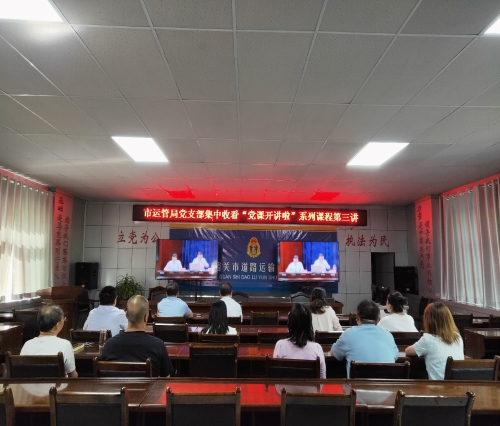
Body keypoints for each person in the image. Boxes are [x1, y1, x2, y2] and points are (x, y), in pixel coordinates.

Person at [102, 295, 174, 377]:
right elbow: (166, 378)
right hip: (148, 386)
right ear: (146, 317)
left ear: (126, 315)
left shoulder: (109, 345)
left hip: (117, 386)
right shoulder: (158, 346)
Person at [331, 299, 398, 377]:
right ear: (378, 318)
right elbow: (395, 357)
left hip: (357, 385)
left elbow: (334, 353)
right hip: (386, 384)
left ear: (357, 316)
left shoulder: (348, 334)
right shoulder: (388, 336)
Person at [405, 302, 464, 380]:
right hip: (457, 383)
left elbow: (408, 351)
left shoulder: (428, 339)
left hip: (438, 385)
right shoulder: (457, 336)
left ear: (428, 320)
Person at [21, 305, 78, 378]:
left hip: (30, 385)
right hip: (57, 385)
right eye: (63, 319)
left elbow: (21, 373)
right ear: (57, 325)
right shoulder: (65, 345)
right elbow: (72, 376)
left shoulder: (27, 345)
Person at [273, 304, 326, 379]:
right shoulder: (317, 348)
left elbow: (275, 377)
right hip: (311, 387)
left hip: (284, 387)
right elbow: (322, 379)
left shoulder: (280, 345)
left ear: (290, 324)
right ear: (309, 325)